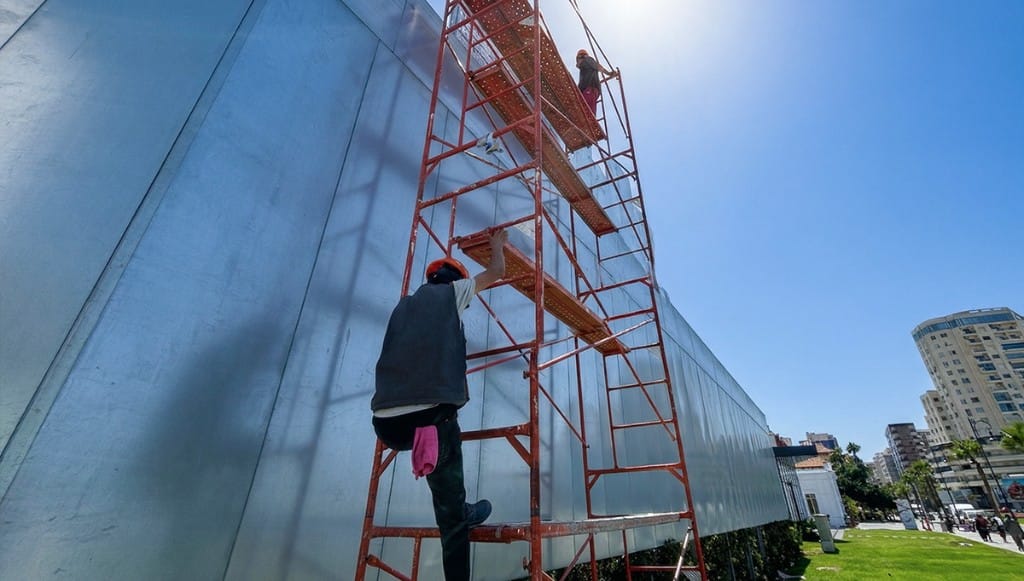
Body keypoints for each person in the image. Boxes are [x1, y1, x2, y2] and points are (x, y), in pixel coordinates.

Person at [371, 229, 508, 581]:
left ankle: (455, 502)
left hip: (386, 425)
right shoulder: (452, 293)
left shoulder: (403, 306)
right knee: (451, 521)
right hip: (430, 420)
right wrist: (497, 244)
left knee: (438, 445)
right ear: (455, 281)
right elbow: (496, 273)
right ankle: (457, 513)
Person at [576, 48, 618, 115]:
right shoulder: (583, 68)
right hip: (587, 92)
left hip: (590, 90)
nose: (577, 62)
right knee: (588, 114)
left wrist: (609, 73)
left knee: (586, 113)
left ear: (583, 56)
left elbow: (597, 66)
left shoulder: (588, 60)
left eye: (578, 59)